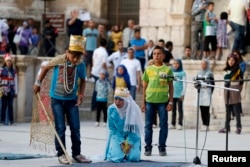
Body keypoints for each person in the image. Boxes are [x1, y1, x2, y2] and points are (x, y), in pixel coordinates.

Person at [33, 35, 91, 164]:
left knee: (75, 127)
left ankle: (76, 153)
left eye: (78, 57)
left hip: (72, 100)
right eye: (73, 56)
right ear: (67, 52)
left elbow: (83, 80)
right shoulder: (59, 60)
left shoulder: (80, 65)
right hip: (57, 100)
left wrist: (81, 94)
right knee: (60, 127)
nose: (75, 59)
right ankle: (62, 153)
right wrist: (38, 83)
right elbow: (44, 68)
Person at [142, 45, 174, 156]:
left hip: (163, 101)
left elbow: (171, 86)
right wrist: (143, 102)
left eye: (159, 54)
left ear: (163, 56)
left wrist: (170, 102)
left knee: (163, 125)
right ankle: (148, 147)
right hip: (150, 100)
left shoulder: (167, 69)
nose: (156, 56)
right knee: (148, 125)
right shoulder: (148, 69)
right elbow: (144, 86)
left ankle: (162, 147)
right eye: (154, 54)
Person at [105, 88, 144, 162]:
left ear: (126, 100)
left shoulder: (133, 110)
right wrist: (121, 142)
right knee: (116, 158)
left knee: (134, 158)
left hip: (132, 137)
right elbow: (112, 128)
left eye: (120, 99)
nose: (117, 102)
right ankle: (119, 152)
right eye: (116, 99)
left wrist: (129, 143)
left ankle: (127, 153)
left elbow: (135, 130)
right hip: (117, 136)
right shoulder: (111, 109)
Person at [219, 54, 244, 134]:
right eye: (229, 60)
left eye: (232, 60)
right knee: (228, 110)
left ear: (235, 61)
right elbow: (225, 79)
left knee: (236, 110)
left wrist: (238, 90)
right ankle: (227, 127)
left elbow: (241, 82)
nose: (231, 62)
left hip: (234, 89)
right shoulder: (225, 69)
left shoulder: (238, 70)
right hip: (227, 90)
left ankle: (239, 127)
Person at [195, 59, 214, 131]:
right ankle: (203, 124)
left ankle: (207, 124)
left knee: (207, 110)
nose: (203, 65)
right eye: (202, 64)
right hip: (201, 94)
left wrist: (208, 87)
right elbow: (196, 82)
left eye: (205, 64)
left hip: (207, 94)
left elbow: (213, 84)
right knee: (202, 109)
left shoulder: (209, 73)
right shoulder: (198, 73)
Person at [90, 38, 108, 111]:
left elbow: (93, 60)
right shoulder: (105, 53)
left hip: (94, 71)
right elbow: (104, 64)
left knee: (96, 89)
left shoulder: (96, 50)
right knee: (97, 90)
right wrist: (106, 71)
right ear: (106, 44)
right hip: (100, 73)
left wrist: (93, 68)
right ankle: (95, 105)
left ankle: (95, 105)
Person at [0, 53, 17, 126]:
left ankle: (11, 121)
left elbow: (16, 81)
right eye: (7, 61)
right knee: (3, 106)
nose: (9, 62)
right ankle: (2, 121)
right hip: (3, 90)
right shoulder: (1, 70)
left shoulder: (13, 71)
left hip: (11, 90)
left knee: (10, 106)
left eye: (10, 61)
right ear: (5, 62)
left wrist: (16, 91)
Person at [170, 59, 186, 130]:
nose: (175, 65)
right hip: (172, 94)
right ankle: (173, 123)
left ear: (180, 65)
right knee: (173, 110)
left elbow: (185, 84)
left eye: (177, 64)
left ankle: (180, 123)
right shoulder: (171, 73)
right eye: (174, 64)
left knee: (180, 109)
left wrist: (183, 94)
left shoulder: (182, 73)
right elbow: (169, 84)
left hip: (179, 94)